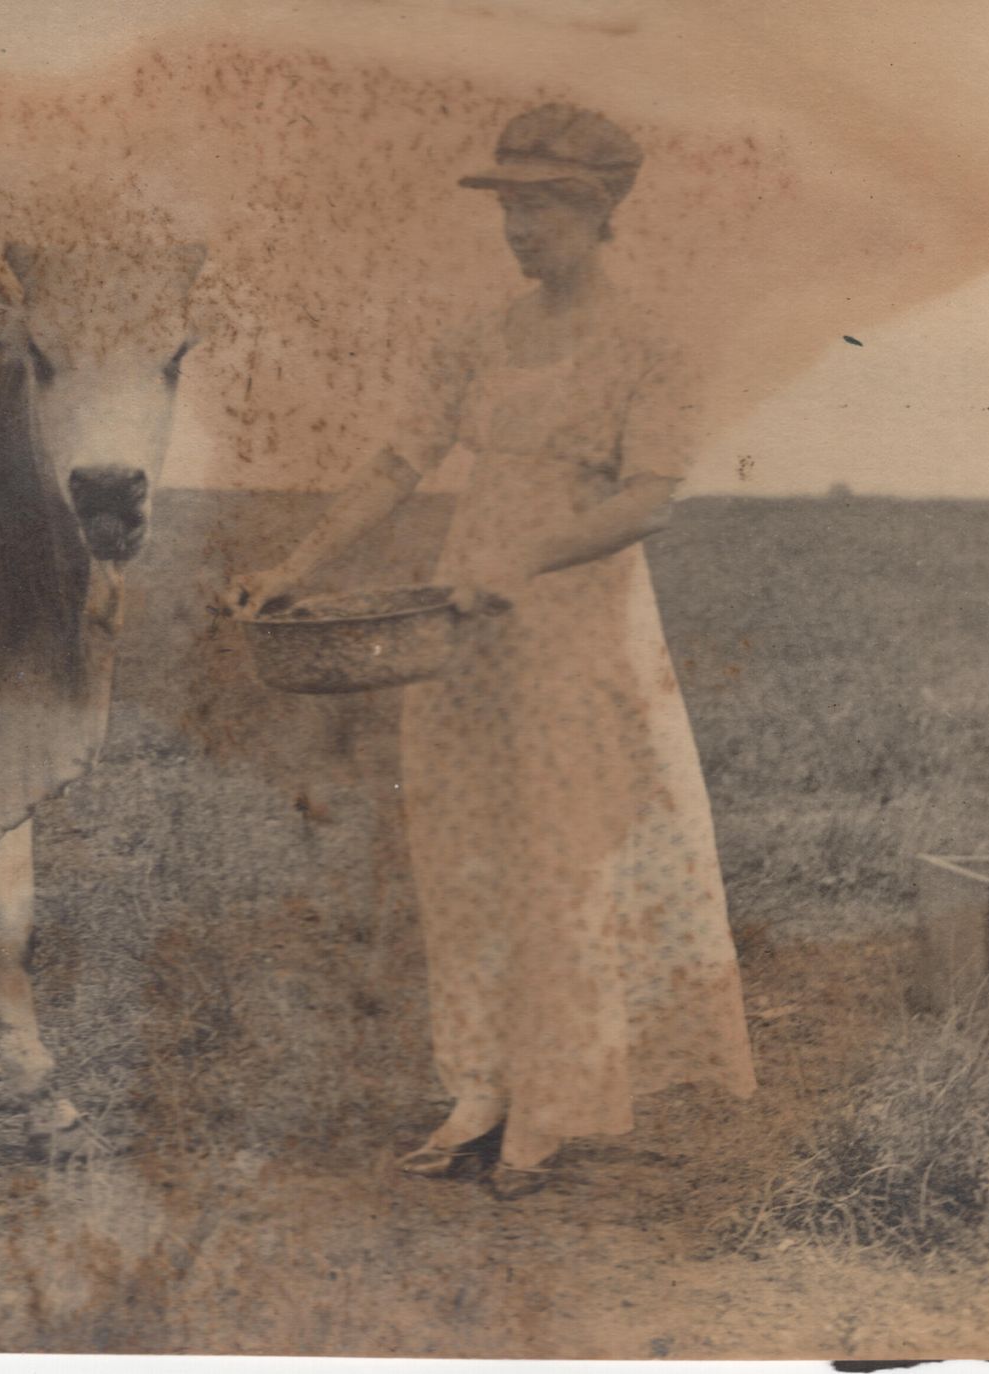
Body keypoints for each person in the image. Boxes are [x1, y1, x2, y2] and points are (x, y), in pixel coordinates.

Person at [233, 103, 757, 1188]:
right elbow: (398, 463)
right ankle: (478, 1087)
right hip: (458, 619)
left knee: (558, 854)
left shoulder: (651, 345)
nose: (520, 227)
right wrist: (295, 566)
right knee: (464, 851)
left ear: (600, 210)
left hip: (575, 622)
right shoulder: (476, 341)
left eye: (543, 206)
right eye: (509, 205)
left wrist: (525, 558)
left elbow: (648, 500)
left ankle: (550, 1106)